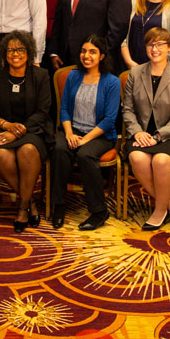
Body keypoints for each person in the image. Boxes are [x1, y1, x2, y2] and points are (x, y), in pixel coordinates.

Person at [124, 28, 170, 231]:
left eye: (160, 44)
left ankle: (159, 210)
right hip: (141, 134)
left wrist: (157, 136)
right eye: (151, 44)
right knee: (137, 158)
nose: (155, 49)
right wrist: (137, 132)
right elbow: (127, 109)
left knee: (161, 161)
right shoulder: (135, 73)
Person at [50, 34, 120, 230]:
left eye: (92, 52)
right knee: (59, 149)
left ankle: (99, 211)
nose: (86, 55)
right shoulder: (73, 76)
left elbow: (109, 120)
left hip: (99, 135)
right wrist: (70, 134)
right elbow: (63, 109)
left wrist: (84, 140)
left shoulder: (111, 82)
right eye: (83, 51)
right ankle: (59, 205)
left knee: (85, 154)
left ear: (102, 56)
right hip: (72, 130)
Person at [0, 30, 52, 232]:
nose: (15, 53)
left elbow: (43, 110)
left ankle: (22, 208)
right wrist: (6, 126)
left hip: (33, 130)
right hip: (0, 129)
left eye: (20, 49)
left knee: (27, 150)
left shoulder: (41, 75)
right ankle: (30, 201)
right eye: (10, 50)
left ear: (29, 52)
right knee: (0, 155)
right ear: (4, 54)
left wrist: (17, 131)